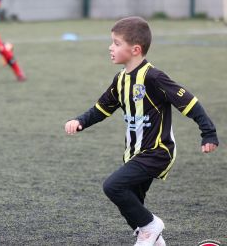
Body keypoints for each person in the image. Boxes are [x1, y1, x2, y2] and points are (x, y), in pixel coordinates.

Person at [64, 16, 218, 246]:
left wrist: (208, 133)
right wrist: (80, 121)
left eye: (116, 43)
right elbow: (101, 109)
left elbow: (189, 102)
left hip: (157, 151)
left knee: (114, 186)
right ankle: (154, 238)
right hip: (134, 154)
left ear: (135, 49)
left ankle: (151, 228)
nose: (110, 47)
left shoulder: (154, 77)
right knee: (133, 206)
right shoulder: (120, 80)